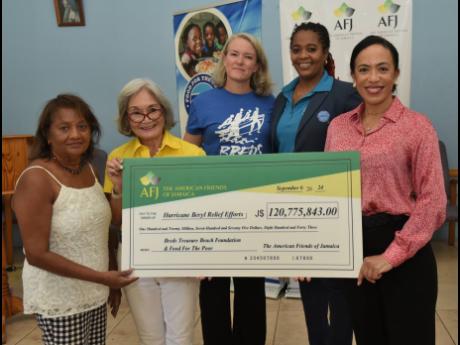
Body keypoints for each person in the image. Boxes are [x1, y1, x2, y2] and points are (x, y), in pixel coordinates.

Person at [325, 35, 446, 345]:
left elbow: (433, 201)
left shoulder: (417, 126)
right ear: (353, 77)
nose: (373, 78)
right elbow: (328, 191)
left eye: (382, 68)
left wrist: (390, 256)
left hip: (405, 251)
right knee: (368, 337)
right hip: (355, 251)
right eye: (364, 69)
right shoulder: (338, 127)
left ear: (396, 74)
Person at [12, 94, 138, 345]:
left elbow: (105, 226)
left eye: (82, 126)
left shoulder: (90, 168)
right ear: (47, 135)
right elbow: (37, 254)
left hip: (94, 292)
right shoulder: (37, 178)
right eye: (64, 128)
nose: (75, 134)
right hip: (61, 297)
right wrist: (104, 278)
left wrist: (119, 189)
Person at [269, 22, 361, 345]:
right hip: (291, 214)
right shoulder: (281, 97)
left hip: (333, 213)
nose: (303, 55)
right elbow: (273, 153)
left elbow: (361, 152)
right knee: (310, 292)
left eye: (311, 49)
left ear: (324, 53)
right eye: (297, 49)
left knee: (339, 293)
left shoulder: (344, 94)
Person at [184, 33, 275, 345]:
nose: (240, 61)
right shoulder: (202, 102)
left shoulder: (271, 104)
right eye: (234, 54)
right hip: (213, 210)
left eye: (248, 56)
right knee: (213, 289)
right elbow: (187, 159)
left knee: (251, 289)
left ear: (256, 65)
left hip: (255, 210)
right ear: (223, 59)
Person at [104, 78, 205, 345]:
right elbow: (116, 220)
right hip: (136, 256)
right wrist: (118, 187)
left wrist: (204, 257)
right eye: (136, 112)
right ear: (127, 117)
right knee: (150, 337)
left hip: (180, 253)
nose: (145, 118)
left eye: (153, 109)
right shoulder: (118, 158)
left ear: (164, 111)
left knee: (180, 337)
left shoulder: (192, 154)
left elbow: (203, 212)